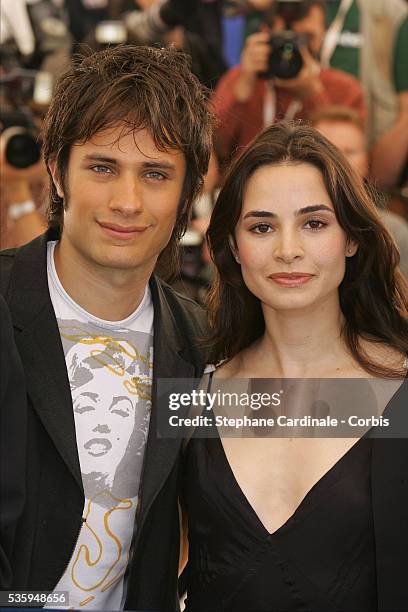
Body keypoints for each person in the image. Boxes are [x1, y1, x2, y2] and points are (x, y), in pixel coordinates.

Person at [0, 44, 212, 610]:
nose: (127, 201)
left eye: (155, 173)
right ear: (56, 171)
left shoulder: (201, 345)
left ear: (186, 195)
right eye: (102, 166)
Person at [181, 122, 408, 610]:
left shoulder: (401, 390)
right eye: (261, 226)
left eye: (314, 223)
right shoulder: (192, 392)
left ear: (352, 237)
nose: (288, 250)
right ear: (234, 247)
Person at [212, 0, 365, 162]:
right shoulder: (241, 78)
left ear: (323, 36)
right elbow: (212, 152)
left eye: (307, 38)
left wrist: (313, 95)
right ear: (265, 33)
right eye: (287, 39)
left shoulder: (346, 89)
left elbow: (346, 163)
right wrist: (240, 93)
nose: (296, 49)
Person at [309, 105, 408, 277]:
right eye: (328, 151)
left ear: (366, 162)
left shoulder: (392, 233)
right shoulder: (284, 228)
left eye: (349, 152)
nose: (338, 162)